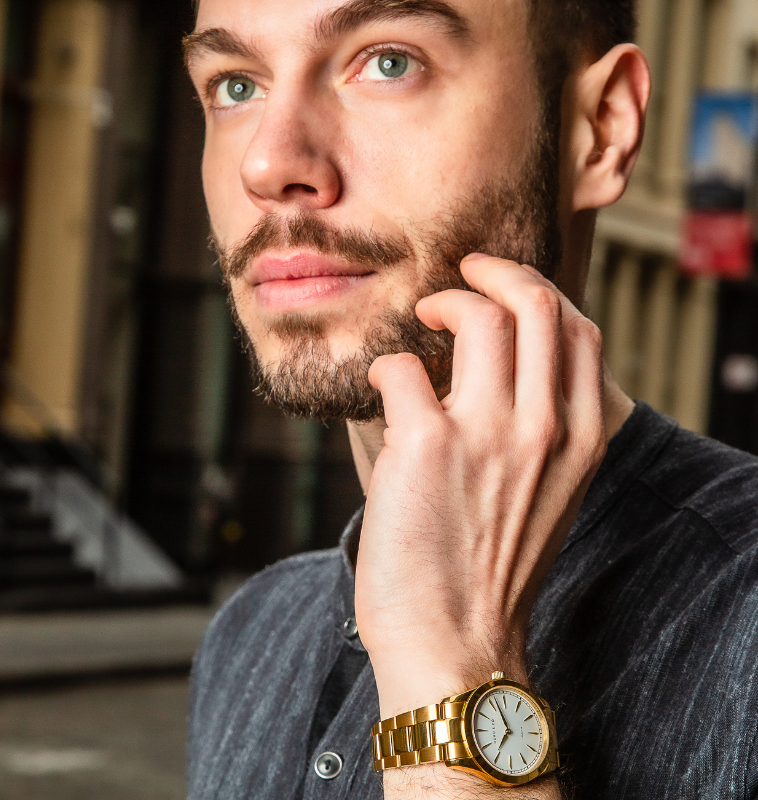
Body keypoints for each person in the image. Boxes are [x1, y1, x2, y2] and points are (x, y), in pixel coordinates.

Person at [183, 0, 758, 798]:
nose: (268, 164)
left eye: (389, 62)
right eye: (236, 85)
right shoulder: (252, 636)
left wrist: (451, 664)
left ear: (601, 126)